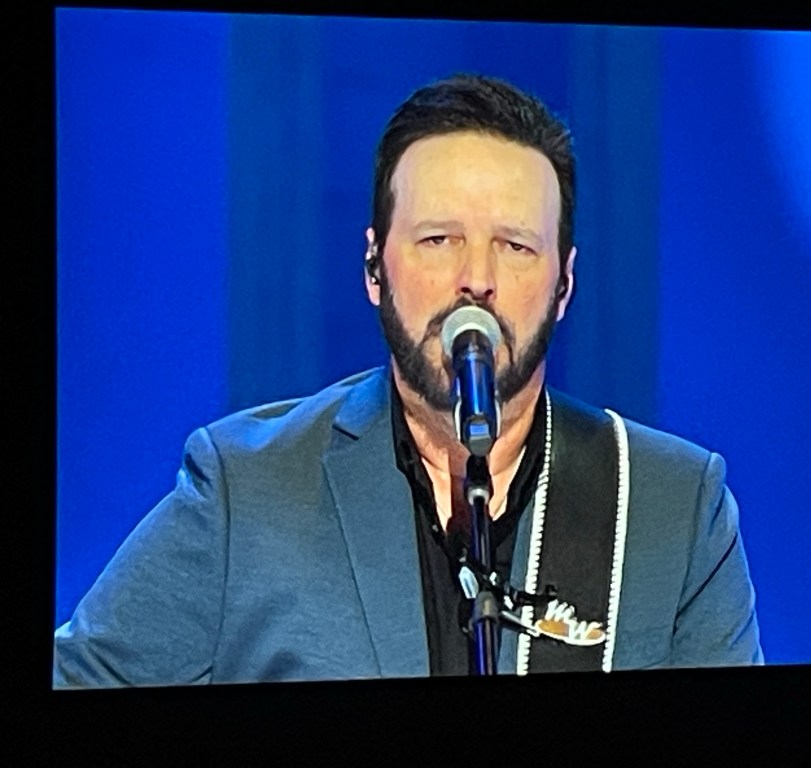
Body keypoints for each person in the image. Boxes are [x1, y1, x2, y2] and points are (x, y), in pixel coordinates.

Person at [53, 74, 763, 686]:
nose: (476, 279)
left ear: (564, 285)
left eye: (515, 246)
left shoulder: (674, 505)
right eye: (438, 239)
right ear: (374, 269)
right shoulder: (247, 487)